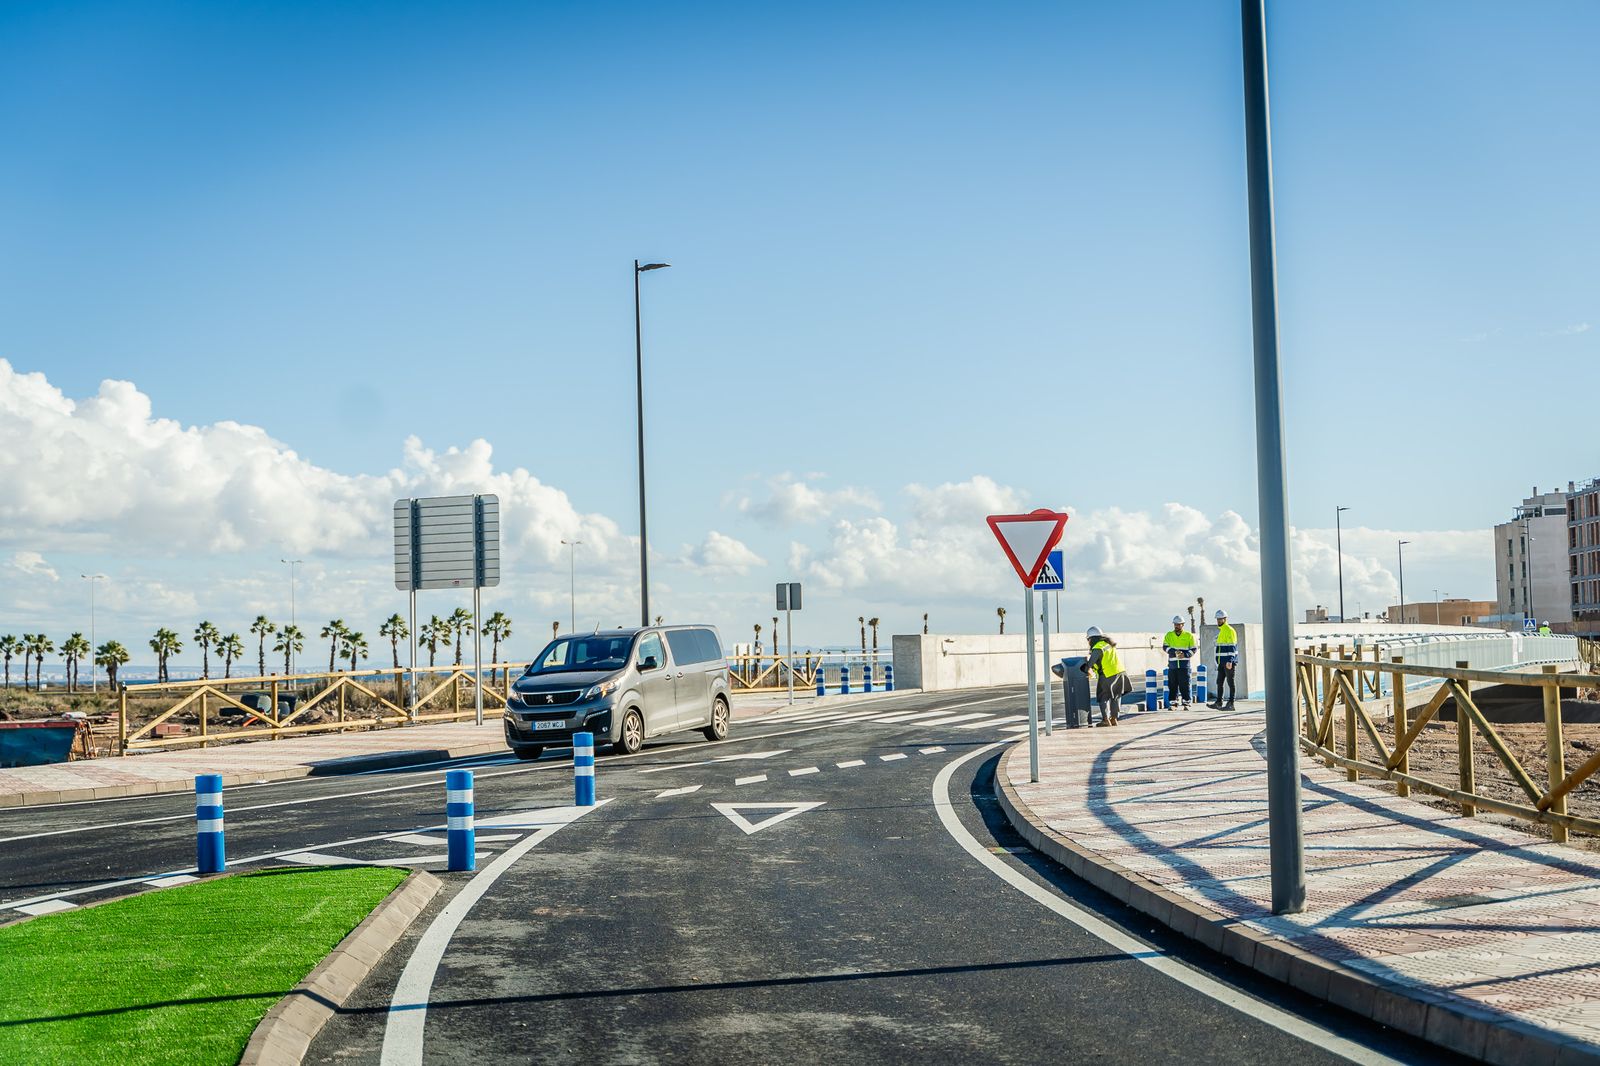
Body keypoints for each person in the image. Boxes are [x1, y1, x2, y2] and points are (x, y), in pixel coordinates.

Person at [1078, 626, 1129, 726]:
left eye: (1088, 639)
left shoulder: (1098, 647)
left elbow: (1091, 663)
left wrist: (1084, 668)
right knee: (1116, 696)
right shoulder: (1108, 645)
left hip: (1108, 674)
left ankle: (1106, 720)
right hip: (1120, 672)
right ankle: (1114, 719)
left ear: (1091, 639)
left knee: (1103, 697)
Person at [1162, 615, 1196, 708]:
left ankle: (1186, 702)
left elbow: (1193, 649)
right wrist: (1173, 652)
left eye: (1178, 624)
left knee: (1184, 684)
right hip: (1172, 665)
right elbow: (1165, 647)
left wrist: (1185, 654)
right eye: (1175, 624)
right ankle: (1173, 703)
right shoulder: (1169, 635)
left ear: (1183, 625)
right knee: (1172, 684)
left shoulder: (1189, 636)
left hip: (1184, 665)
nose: (1176, 626)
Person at [1208, 609, 1237, 709]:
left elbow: (1232, 646)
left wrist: (1230, 660)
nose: (1219, 621)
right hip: (1221, 662)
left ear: (1225, 619)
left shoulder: (1229, 630)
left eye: (1220, 619)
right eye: (1218, 619)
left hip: (1228, 662)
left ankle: (1231, 704)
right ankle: (1219, 702)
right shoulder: (1221, 631)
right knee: (1219, 682)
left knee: (1230, 682)